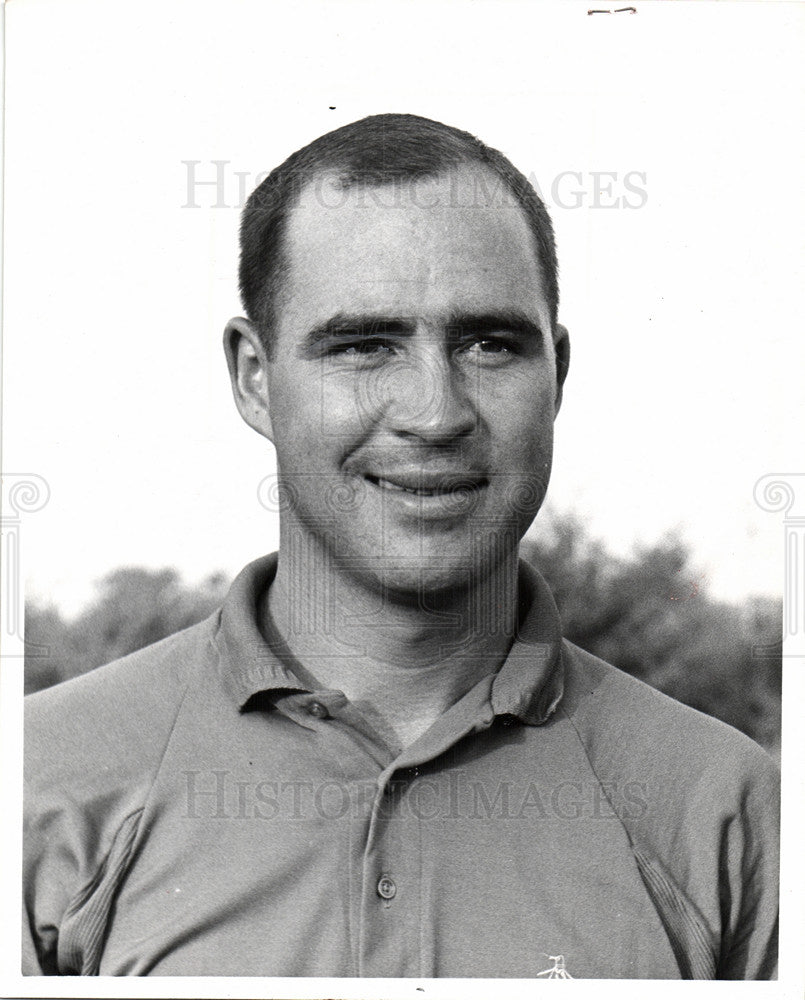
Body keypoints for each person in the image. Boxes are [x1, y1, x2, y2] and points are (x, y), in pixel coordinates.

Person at [23, 114, 779, 979]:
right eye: (364, 346)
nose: (435, 412)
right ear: (253, 378)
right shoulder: (42, 786)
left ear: (557, 375)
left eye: (489, 344)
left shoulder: (720, 809)